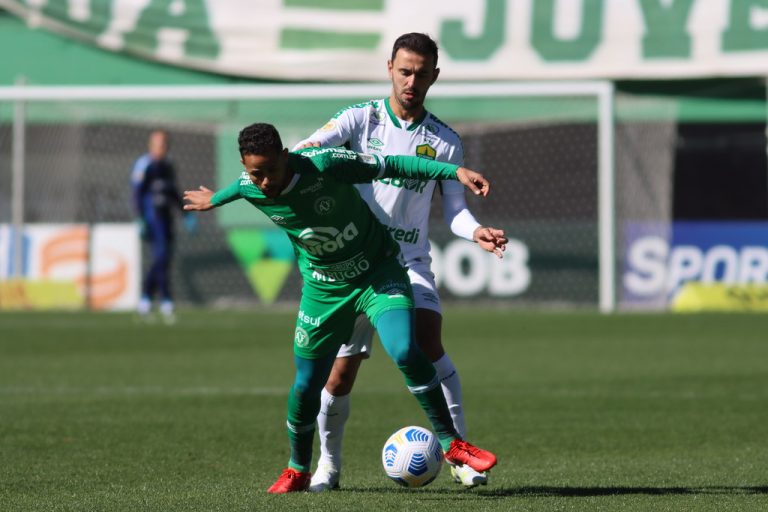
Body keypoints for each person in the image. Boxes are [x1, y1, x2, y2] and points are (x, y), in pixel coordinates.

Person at [183, 122, 498, 494]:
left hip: (378, 272)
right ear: (244, 165)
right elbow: (232, 190)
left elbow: (397, 164)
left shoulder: (325, 164)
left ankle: (452, 444)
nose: (266, 181)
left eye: (272, 169)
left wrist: (454, 171)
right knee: (306, 385)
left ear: (286, 156)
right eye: (256, 172)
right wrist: (212, 199)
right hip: (325, 290)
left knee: (405, 348)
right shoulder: (248, 185)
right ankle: (298, 468)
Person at [292, 32, 508, 490]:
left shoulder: (445, 141)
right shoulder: (359, 119)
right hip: (353, 264)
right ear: (389, 66)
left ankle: (459, 454)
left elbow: (456, 213)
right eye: (404, 70)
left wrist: (477, 232)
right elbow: (309, 150)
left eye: (420, 73)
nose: (411, 81)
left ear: (434, 75)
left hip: (408, 261)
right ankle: (328, 467)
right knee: (340, 373)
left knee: (428, 339)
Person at [131, 129, 195, 323]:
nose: (162, 147)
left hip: (167, 218)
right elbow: (136, 193)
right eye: (158, 144)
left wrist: (185, 214)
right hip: (152, 218)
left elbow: (172, 191)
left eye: (164, 144)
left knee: (163, 259)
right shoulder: (144, 165)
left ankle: (145, 300)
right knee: (162, 257)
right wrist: (140, 218)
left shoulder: (168, 165)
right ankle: (166, 301)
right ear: (151, 145)